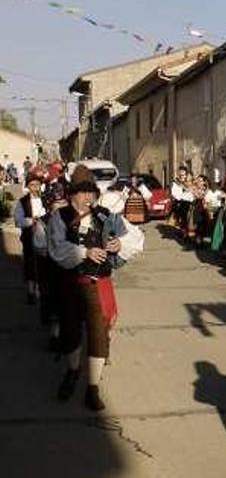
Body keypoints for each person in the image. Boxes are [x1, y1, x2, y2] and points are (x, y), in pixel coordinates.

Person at [48, 165, 144, 411]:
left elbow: (136, 238)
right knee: (70, 333)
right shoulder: (60, 217)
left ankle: (92, 387)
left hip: (98, 284)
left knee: (98, 336)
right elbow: (56, 250)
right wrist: (84, 252)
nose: (88, 197)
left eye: (91, 192)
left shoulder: (106, 215)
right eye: (82, 192)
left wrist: (118, 244)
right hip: (71, 284)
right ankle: (72, 372)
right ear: (72, 194)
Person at [33, 182, 68, 352]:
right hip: (51, 270)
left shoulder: (73, 220)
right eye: (57, 202)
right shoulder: (43, 223)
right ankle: (55, 337)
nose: (62, 205)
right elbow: (40, 248)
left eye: (64, 202)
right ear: (49, 204)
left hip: (69, 269)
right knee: (54, 304)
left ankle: (68, 335)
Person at [14, 172, 46, 304]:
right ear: (28, 186)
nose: (35, 187)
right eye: (32, 185)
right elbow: (18, 220)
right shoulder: (23, 202)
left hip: (45, 238)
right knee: (29, 264)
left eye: (37, 185)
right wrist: (31, 221)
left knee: (43, 264)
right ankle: (31, 291)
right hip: (29, 236)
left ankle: (43, 290)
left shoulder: (46, 199)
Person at [170, 166, 194, 231]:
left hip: (190, 203)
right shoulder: (176, 183)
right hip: (182, 203)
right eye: (180, 175)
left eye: (183, 175)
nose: (182, 177)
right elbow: (175, 194)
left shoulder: (189, 181)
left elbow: (192, 191)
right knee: (183, 220)